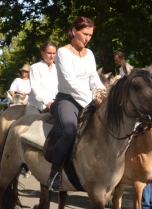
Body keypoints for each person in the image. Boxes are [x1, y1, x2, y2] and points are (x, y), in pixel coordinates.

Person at [47, 16, 106, 191]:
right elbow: (71, 83)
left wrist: (103, 94)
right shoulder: (63, 52)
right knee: (70, 130)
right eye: (85, 34)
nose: (87, 38)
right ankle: (54, 173)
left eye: (90, 35)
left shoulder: (90, 54)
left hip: (89, 98)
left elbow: (94, 78)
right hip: (67, 100)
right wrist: (93, 99)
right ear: (74, 31)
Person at [25, 41, 58, 115]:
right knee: (31, 124)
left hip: (55, 105)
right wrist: (47, 102)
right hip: (36, 106)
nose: (52, 56)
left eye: (54, 53)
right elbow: (35, 89)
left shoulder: (58, 69)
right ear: (42, 53)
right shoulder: (35, 67)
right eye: (49, 53)